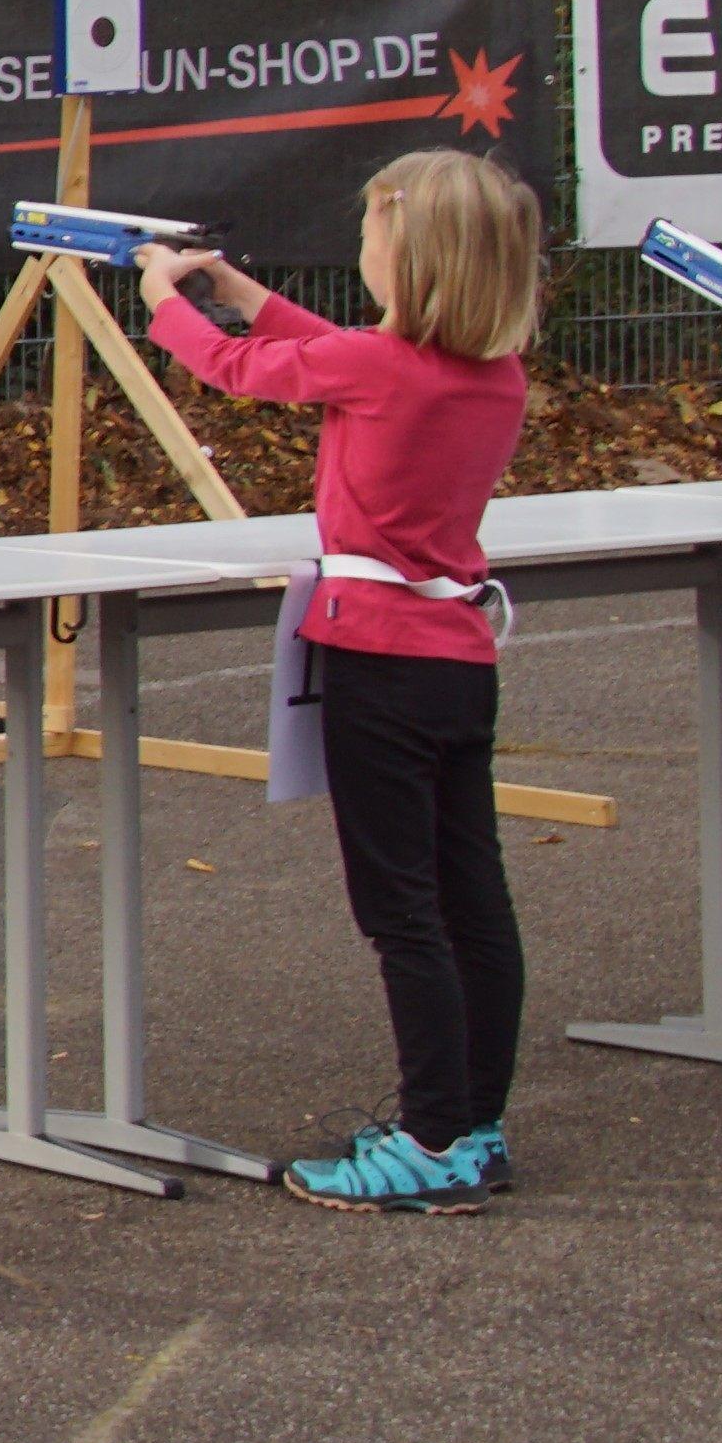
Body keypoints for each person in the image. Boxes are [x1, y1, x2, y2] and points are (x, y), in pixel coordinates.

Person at [137, 150, 549, 1211]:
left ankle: (424, 1134)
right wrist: (235, 291)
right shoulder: (483, 371)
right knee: (470, 899)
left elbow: (242, 373)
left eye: (371, 237)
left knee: (399, 909)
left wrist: (165, 305)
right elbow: (328, 351)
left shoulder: (379, 365)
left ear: (408, 259)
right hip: (455, 659)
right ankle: (469, 1121)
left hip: (377, 659)